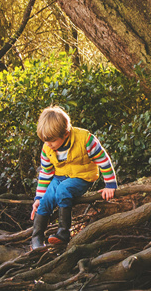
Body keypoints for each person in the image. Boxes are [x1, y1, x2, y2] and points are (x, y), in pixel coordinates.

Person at [30, 105, 117, 249]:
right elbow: (46, 173)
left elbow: (103, 160)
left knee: (64, 190)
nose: (48, 144)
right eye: (45, 141)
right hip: (59, 177)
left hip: (82, 177)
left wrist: (110, 185)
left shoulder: (85, 139)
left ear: (65, 134)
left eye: (52, 140)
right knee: (45, 200)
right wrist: (38, 198)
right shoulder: (47, 148)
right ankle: (36, 238)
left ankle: (63, 233)